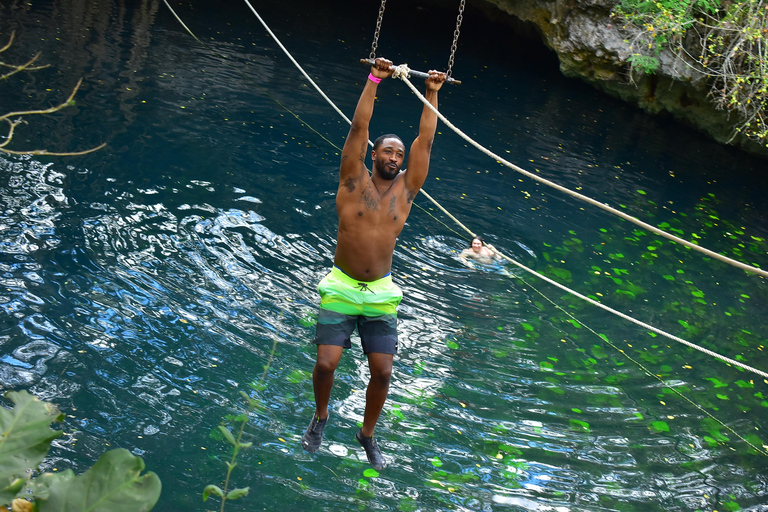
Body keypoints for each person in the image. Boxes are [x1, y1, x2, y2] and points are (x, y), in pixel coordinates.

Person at [302, 58, 446, 470]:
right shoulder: (352, 180)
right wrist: (373, 80)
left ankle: (367, 434)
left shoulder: (408, 191)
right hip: (342, 285)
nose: (395, 157)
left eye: (399, 153)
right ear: (374, 154)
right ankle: (321, 415)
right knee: (326, 362)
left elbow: (426, 141)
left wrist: (432, 92)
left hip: (382, 292)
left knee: (382, 373)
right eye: (388, 150)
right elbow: (358, 129)